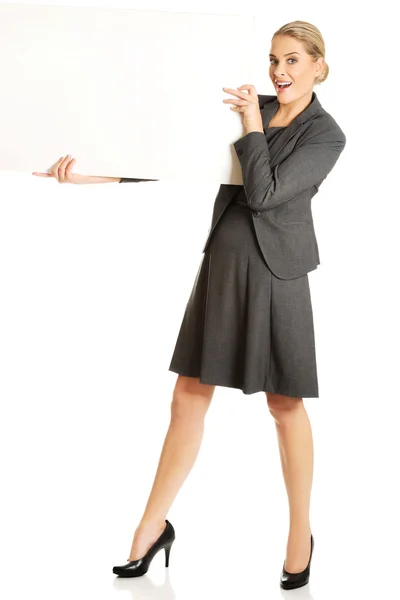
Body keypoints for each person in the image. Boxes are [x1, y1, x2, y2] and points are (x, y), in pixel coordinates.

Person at [33, 20, 346, 590]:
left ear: (320, 65)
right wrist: (86, 177)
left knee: (284, 405)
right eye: (274, 59)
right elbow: (170, 155)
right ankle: (152, 529)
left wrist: (252, 122)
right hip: (224, 265)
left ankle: (300, 535)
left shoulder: (326, 135)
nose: (280, 71)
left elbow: (267, 194)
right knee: (187, 395)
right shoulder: (249, 105)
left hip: (278, 274)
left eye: (294, 60)